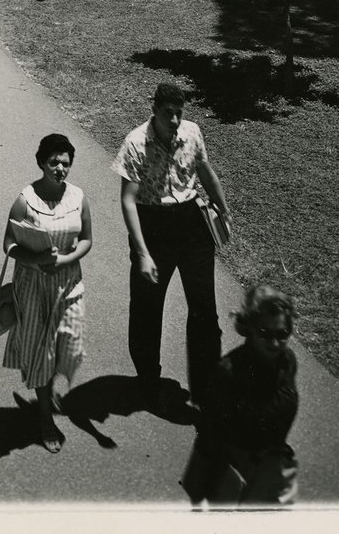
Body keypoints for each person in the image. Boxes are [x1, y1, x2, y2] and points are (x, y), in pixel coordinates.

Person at [112, 80, 230, 408]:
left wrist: (223, 208)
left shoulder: (192, 132)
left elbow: (205, 172)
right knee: (147, 309)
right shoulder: (135, 143)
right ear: (154, 110)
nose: (175, 121)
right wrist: (143, 253)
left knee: (205, 308)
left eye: (179, 113)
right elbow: (128, 201)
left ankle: (207, 386)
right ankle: (148, 379)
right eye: (168, 114)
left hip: (192, 224)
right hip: (153, 225)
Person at [3, 133, 93, 454]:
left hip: (68, 281)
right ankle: (44, 416)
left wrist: (65, 260)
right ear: (42, 162)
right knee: (42, 351)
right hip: (33, 284)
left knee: (70, 342)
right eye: (53, 162)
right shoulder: (25, 200)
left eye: (65, 163)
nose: (60, 168)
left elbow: (86, 239)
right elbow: (9, 244)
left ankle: (49, 388)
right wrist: (37, 260)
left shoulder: (78, 197)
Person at [184, 285, 299, 508]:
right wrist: (199, 491)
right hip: (232, 468)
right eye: (265, 334)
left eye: (282, 333)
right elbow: (209, 432)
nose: (275, 343)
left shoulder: (287, 362)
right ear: (249, 329)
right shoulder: (228, 372)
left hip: (270, 465)